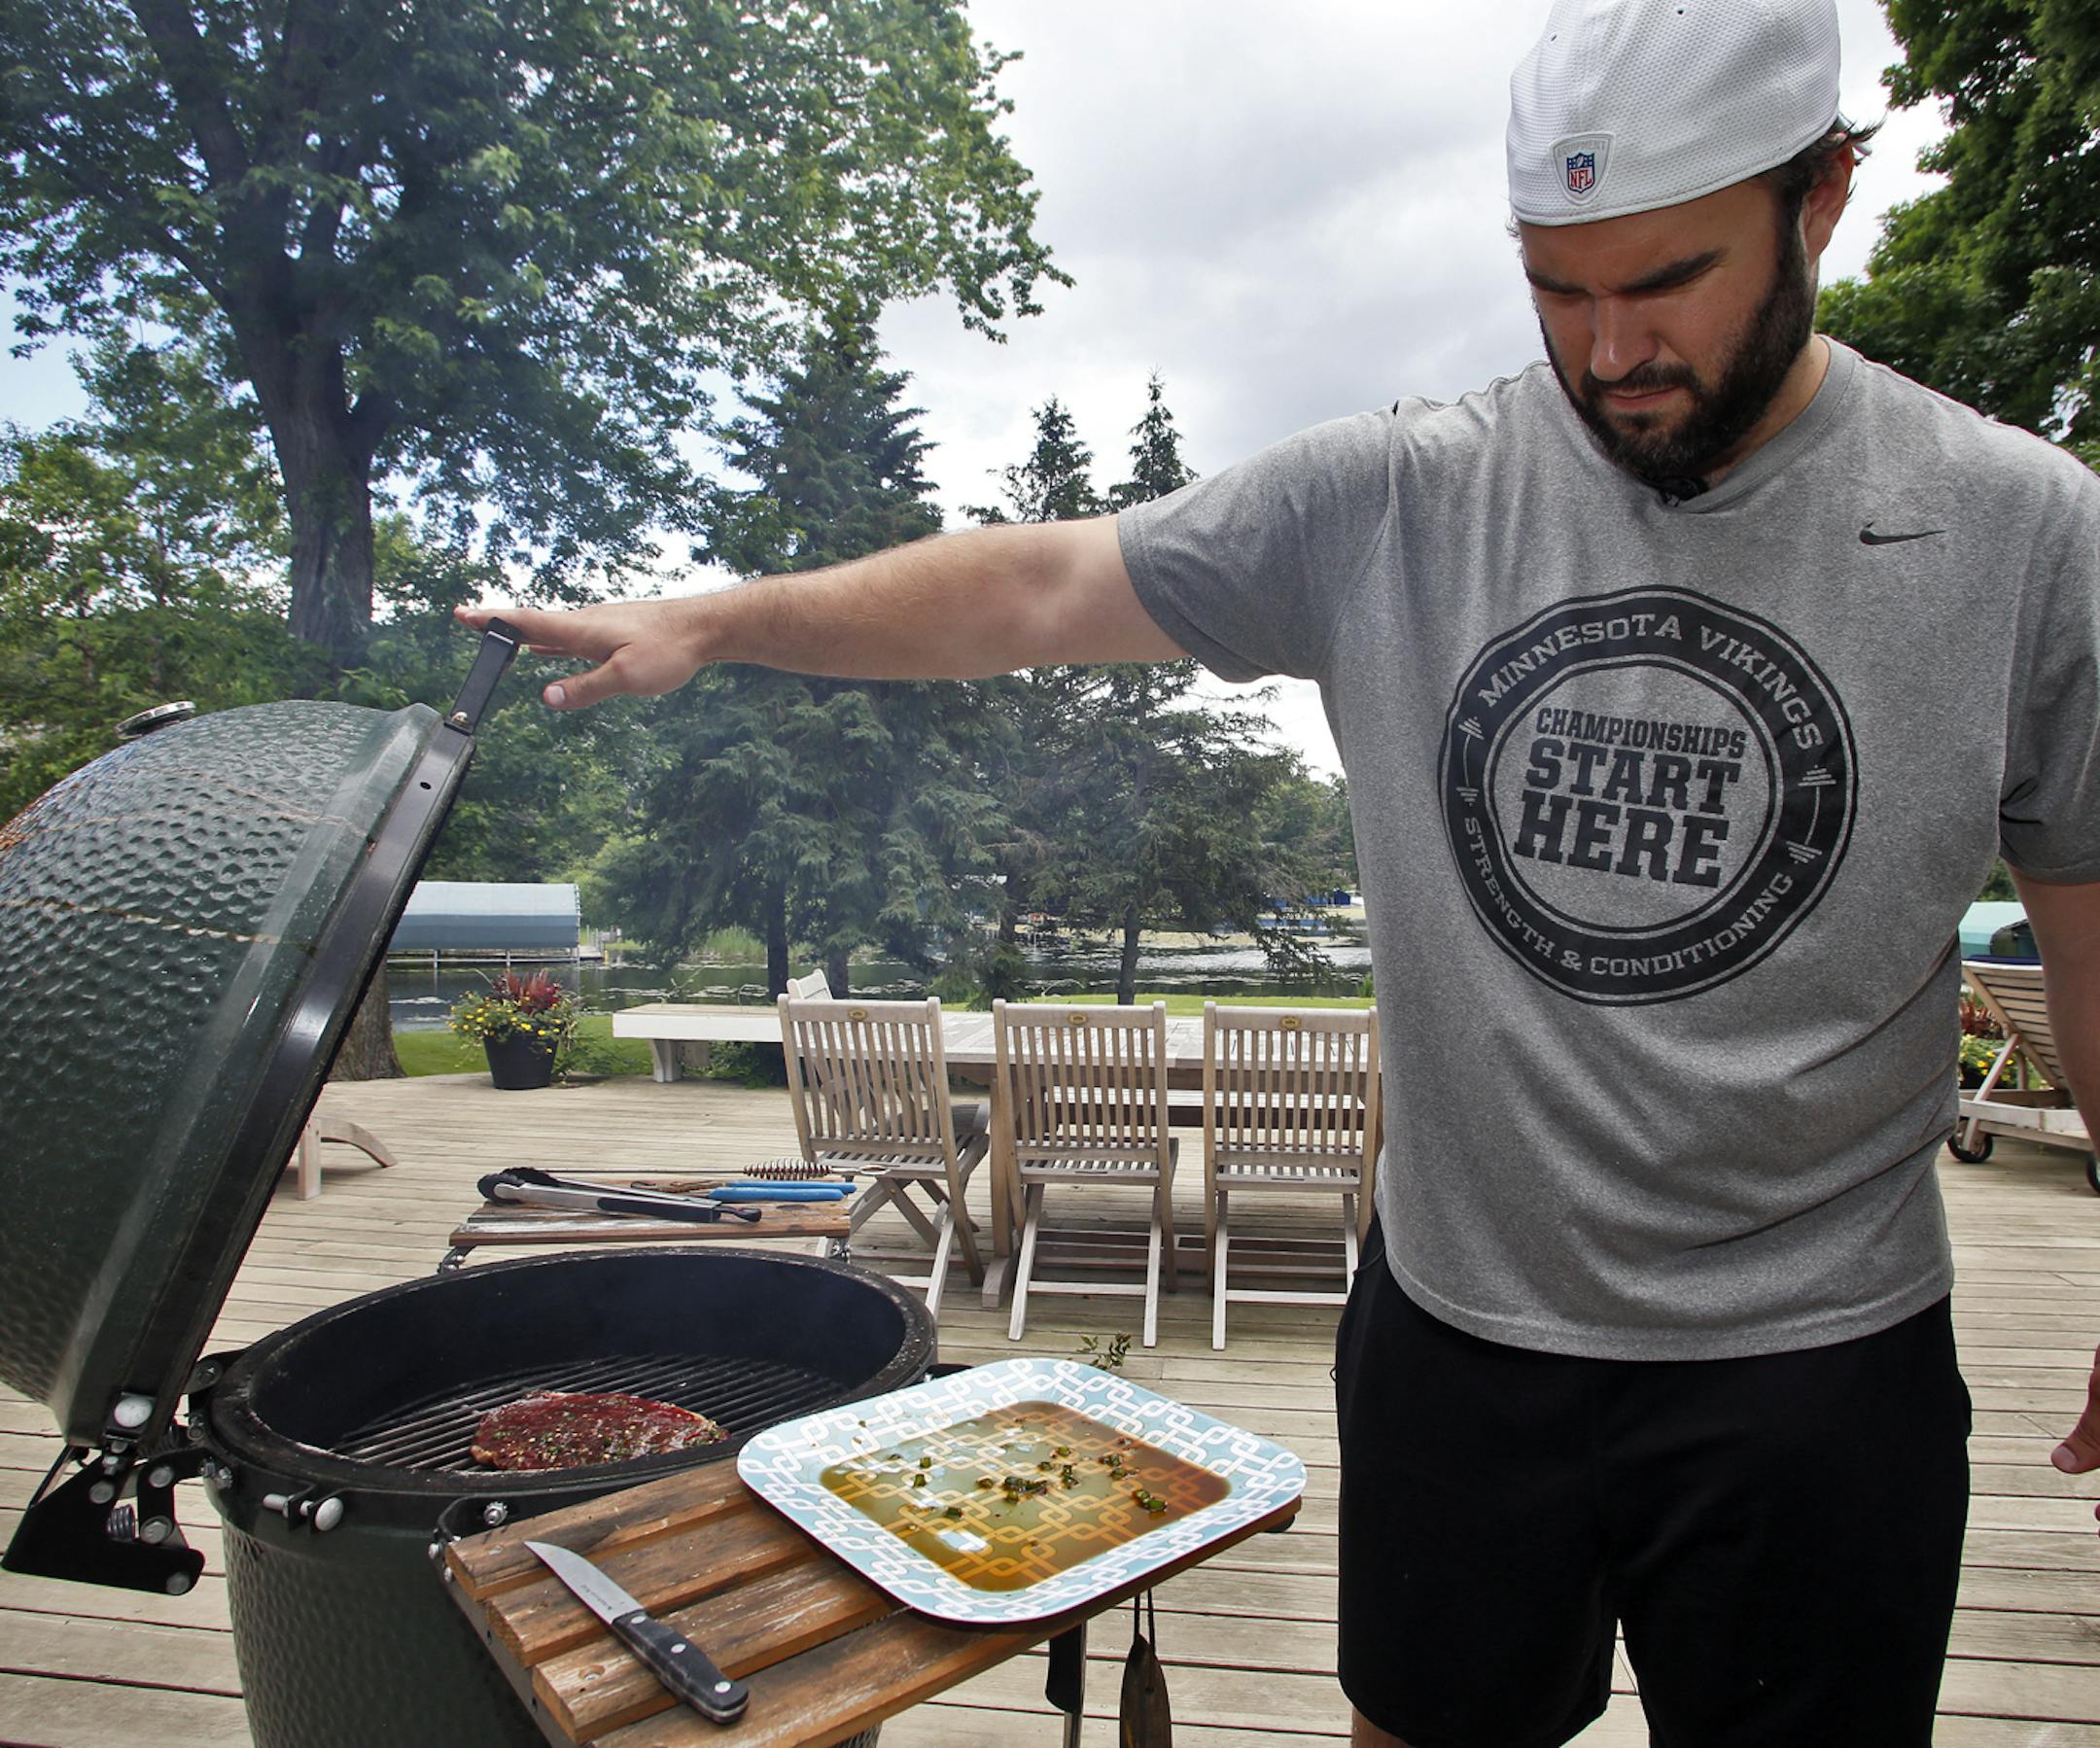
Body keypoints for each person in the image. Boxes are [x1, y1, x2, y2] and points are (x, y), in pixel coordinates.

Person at [464, 1, 2100, 1740]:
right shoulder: (1401, 495)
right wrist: (710, 622)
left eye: (1669, 280)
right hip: (1464, 1335)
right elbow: (1033, 588)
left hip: (1821, 1359)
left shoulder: (2026, 531)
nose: (1610, 346)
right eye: (1557, 286)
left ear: (1824, 196)